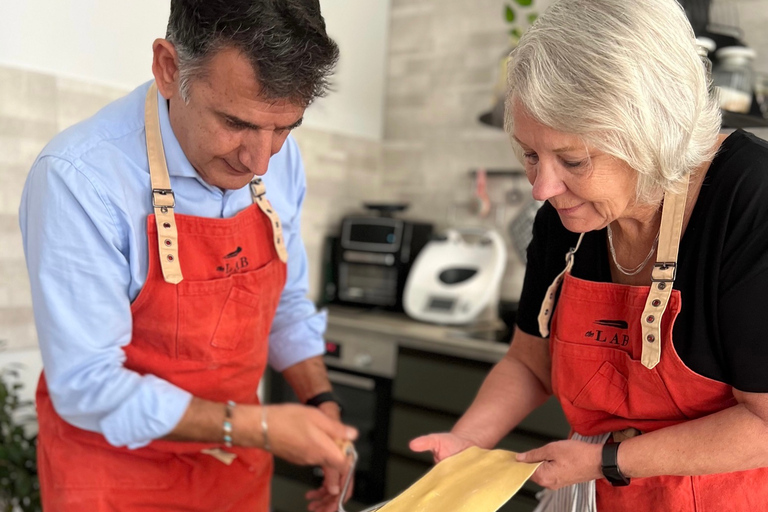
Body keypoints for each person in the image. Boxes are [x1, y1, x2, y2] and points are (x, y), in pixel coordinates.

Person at [410, 0, 768, 510]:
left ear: (649, 135)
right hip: (595, 493)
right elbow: (529, 364)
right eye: (531, 154)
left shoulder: (750, 199)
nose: (541, 187)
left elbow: (764, 423)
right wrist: (469, 442)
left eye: (573, 160)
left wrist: (608, 462)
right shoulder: (565, 211)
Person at [19, 1, 358, 511]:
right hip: (113, 478)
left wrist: (321, 406)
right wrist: (259, 425)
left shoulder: (278, 162)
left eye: (286, 128)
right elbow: (87, 384)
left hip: (234, 472)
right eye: (235, 122)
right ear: (169, 69)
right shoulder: (80, 178)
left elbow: (285, 306)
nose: (259, 161)